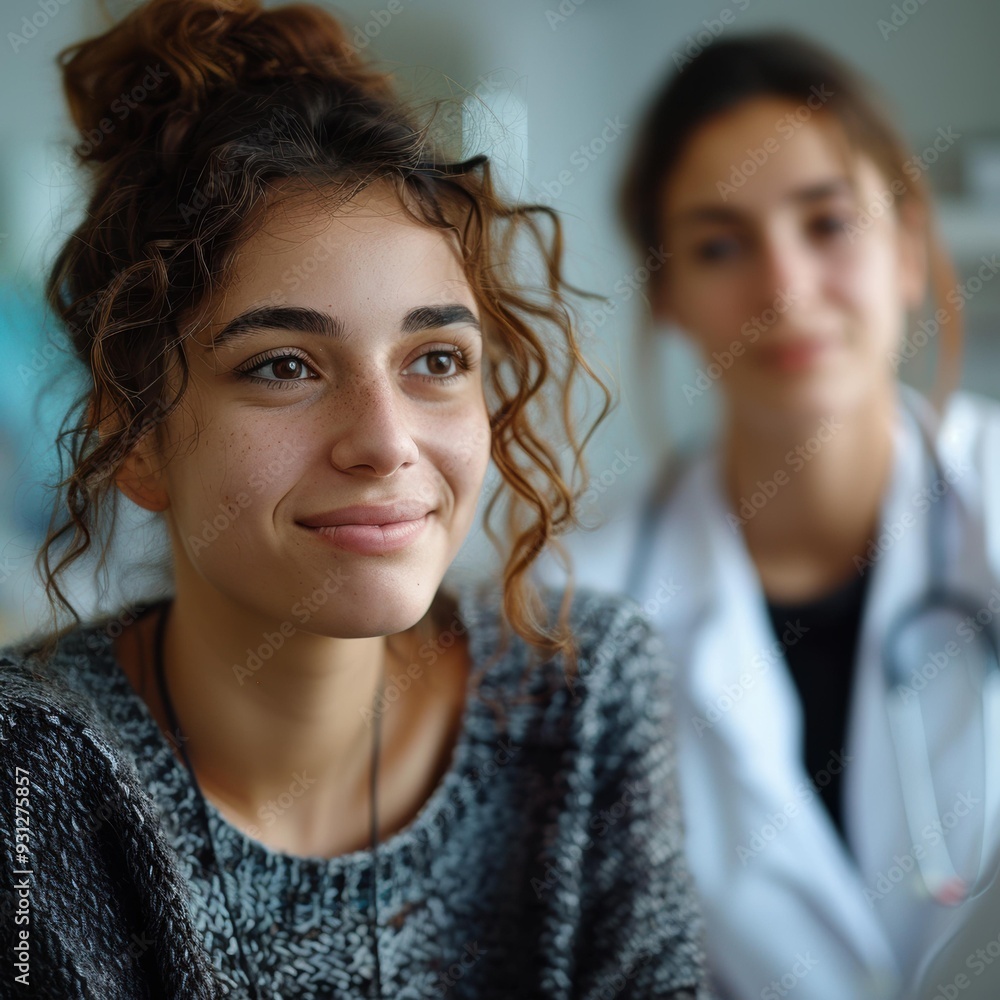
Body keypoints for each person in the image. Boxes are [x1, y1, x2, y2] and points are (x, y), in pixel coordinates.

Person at [0, 2, 707, 997]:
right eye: (284, 364)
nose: (384, 441)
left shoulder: (579, 699)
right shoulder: (30, 767)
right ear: (138, 438)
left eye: (436, 359)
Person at [554, 32, 1000, 1000]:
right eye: (719, 244)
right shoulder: (569, 609)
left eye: (827, 222)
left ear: (909, 251)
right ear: (665, 295)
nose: (785, 288)